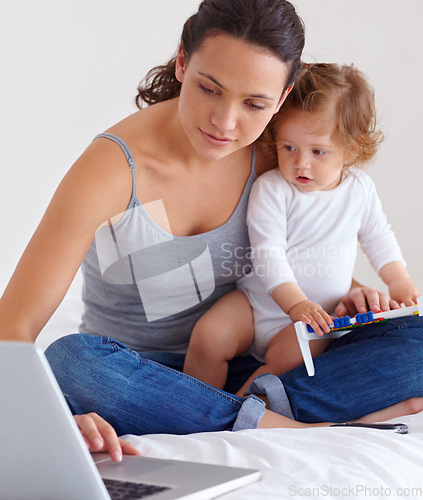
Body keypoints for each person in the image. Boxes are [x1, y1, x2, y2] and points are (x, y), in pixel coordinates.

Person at [1, 0, 422, 463]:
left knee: (415, 337)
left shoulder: (273, 154)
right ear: (183, 61)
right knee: (69, 361)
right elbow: (12, 327)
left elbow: (302, 252)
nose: (225, 122)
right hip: (134, 376)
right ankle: (293, 426)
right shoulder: (111, 170)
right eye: (209, 88)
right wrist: (50, 413)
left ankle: (257, 416)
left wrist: (353, 295)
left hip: (251, 367)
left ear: (282, 99)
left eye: (255, 103)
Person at [183, 63, 421, 396]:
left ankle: (232, 409)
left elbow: (378, 237)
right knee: (208, 335)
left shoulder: (359, 190)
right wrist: (295, 304)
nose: (301, 163)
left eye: (318, 152)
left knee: (289, 360)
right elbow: (268, 253)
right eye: (289, 147)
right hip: (256, 304)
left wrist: (399, 281)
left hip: (315, 320)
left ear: (352, 149)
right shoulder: (272, 188)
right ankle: (193, 402)